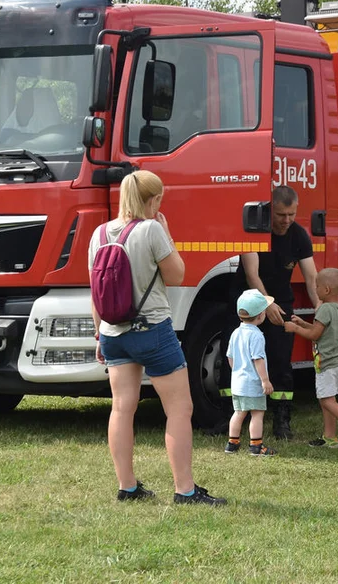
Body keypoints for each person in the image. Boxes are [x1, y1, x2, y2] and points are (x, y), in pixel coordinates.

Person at [87, 170, 225, 506]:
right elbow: (177, 275)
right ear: (154, 200)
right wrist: (167, 233)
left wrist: (98, 335)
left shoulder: (100, 233)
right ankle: (185, 489)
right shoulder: (151, 230)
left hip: (112, 332)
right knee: (179, 408)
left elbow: (96, 290)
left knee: (122, 408)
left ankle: (128, 486)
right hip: (152, 330)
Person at [234, 185, 320, 439]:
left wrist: (322, 311)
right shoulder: (254, 232)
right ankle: (229, 418)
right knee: (240, 361)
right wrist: (266, 304)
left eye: (292, 214)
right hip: (248, 301)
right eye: (281, 215)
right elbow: (252, 274)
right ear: (270, 211)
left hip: (281, 302)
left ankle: (282, 419)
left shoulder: (299, 236)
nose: (287, 220)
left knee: (281, 362)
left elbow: (311, 278)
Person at [284, 268, 338, 449]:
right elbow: (323, 331)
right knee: (329, 400)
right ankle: (329, 438)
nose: (314, 289)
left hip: (328, 363)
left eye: (317, 286)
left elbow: (315, 334)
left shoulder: (323, 309)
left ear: (327, 290)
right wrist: (302, 323)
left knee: (326, 401)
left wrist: (295, 329)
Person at [224, 289, 277, 457]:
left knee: (239, 412)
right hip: (253, 383)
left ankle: (232, 443)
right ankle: (256, 446)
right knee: (257, 413)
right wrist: (265, 380)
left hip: (238, 382)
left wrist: (237, 371)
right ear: (261, 315)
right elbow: (258, 359)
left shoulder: (235, 333)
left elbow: (230, 357)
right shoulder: (257, 336)